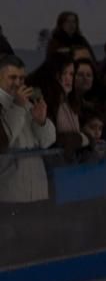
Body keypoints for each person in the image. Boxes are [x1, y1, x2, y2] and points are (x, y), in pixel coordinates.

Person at [0, 54, 56, 202]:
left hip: (37, 191)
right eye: (12, 77)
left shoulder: (28, 103)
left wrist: (42, 122)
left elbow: (48, 142)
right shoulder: (12, 104)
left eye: (22, 78)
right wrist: (18, 107)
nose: (18, 83)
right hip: (9, 194)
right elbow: (4, 141)